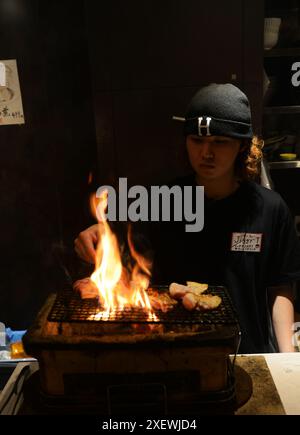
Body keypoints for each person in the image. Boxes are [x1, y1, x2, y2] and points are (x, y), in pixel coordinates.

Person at [74, 83, 300, 354]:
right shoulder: (161, 201)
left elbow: (280, 287)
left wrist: (287, 357)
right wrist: (99, 237)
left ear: (242, 145)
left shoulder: (270, 208)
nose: (206, 152)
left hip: (247, 350)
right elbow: (125, 253)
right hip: (176, 349)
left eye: (220, 142)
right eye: (197, 140)